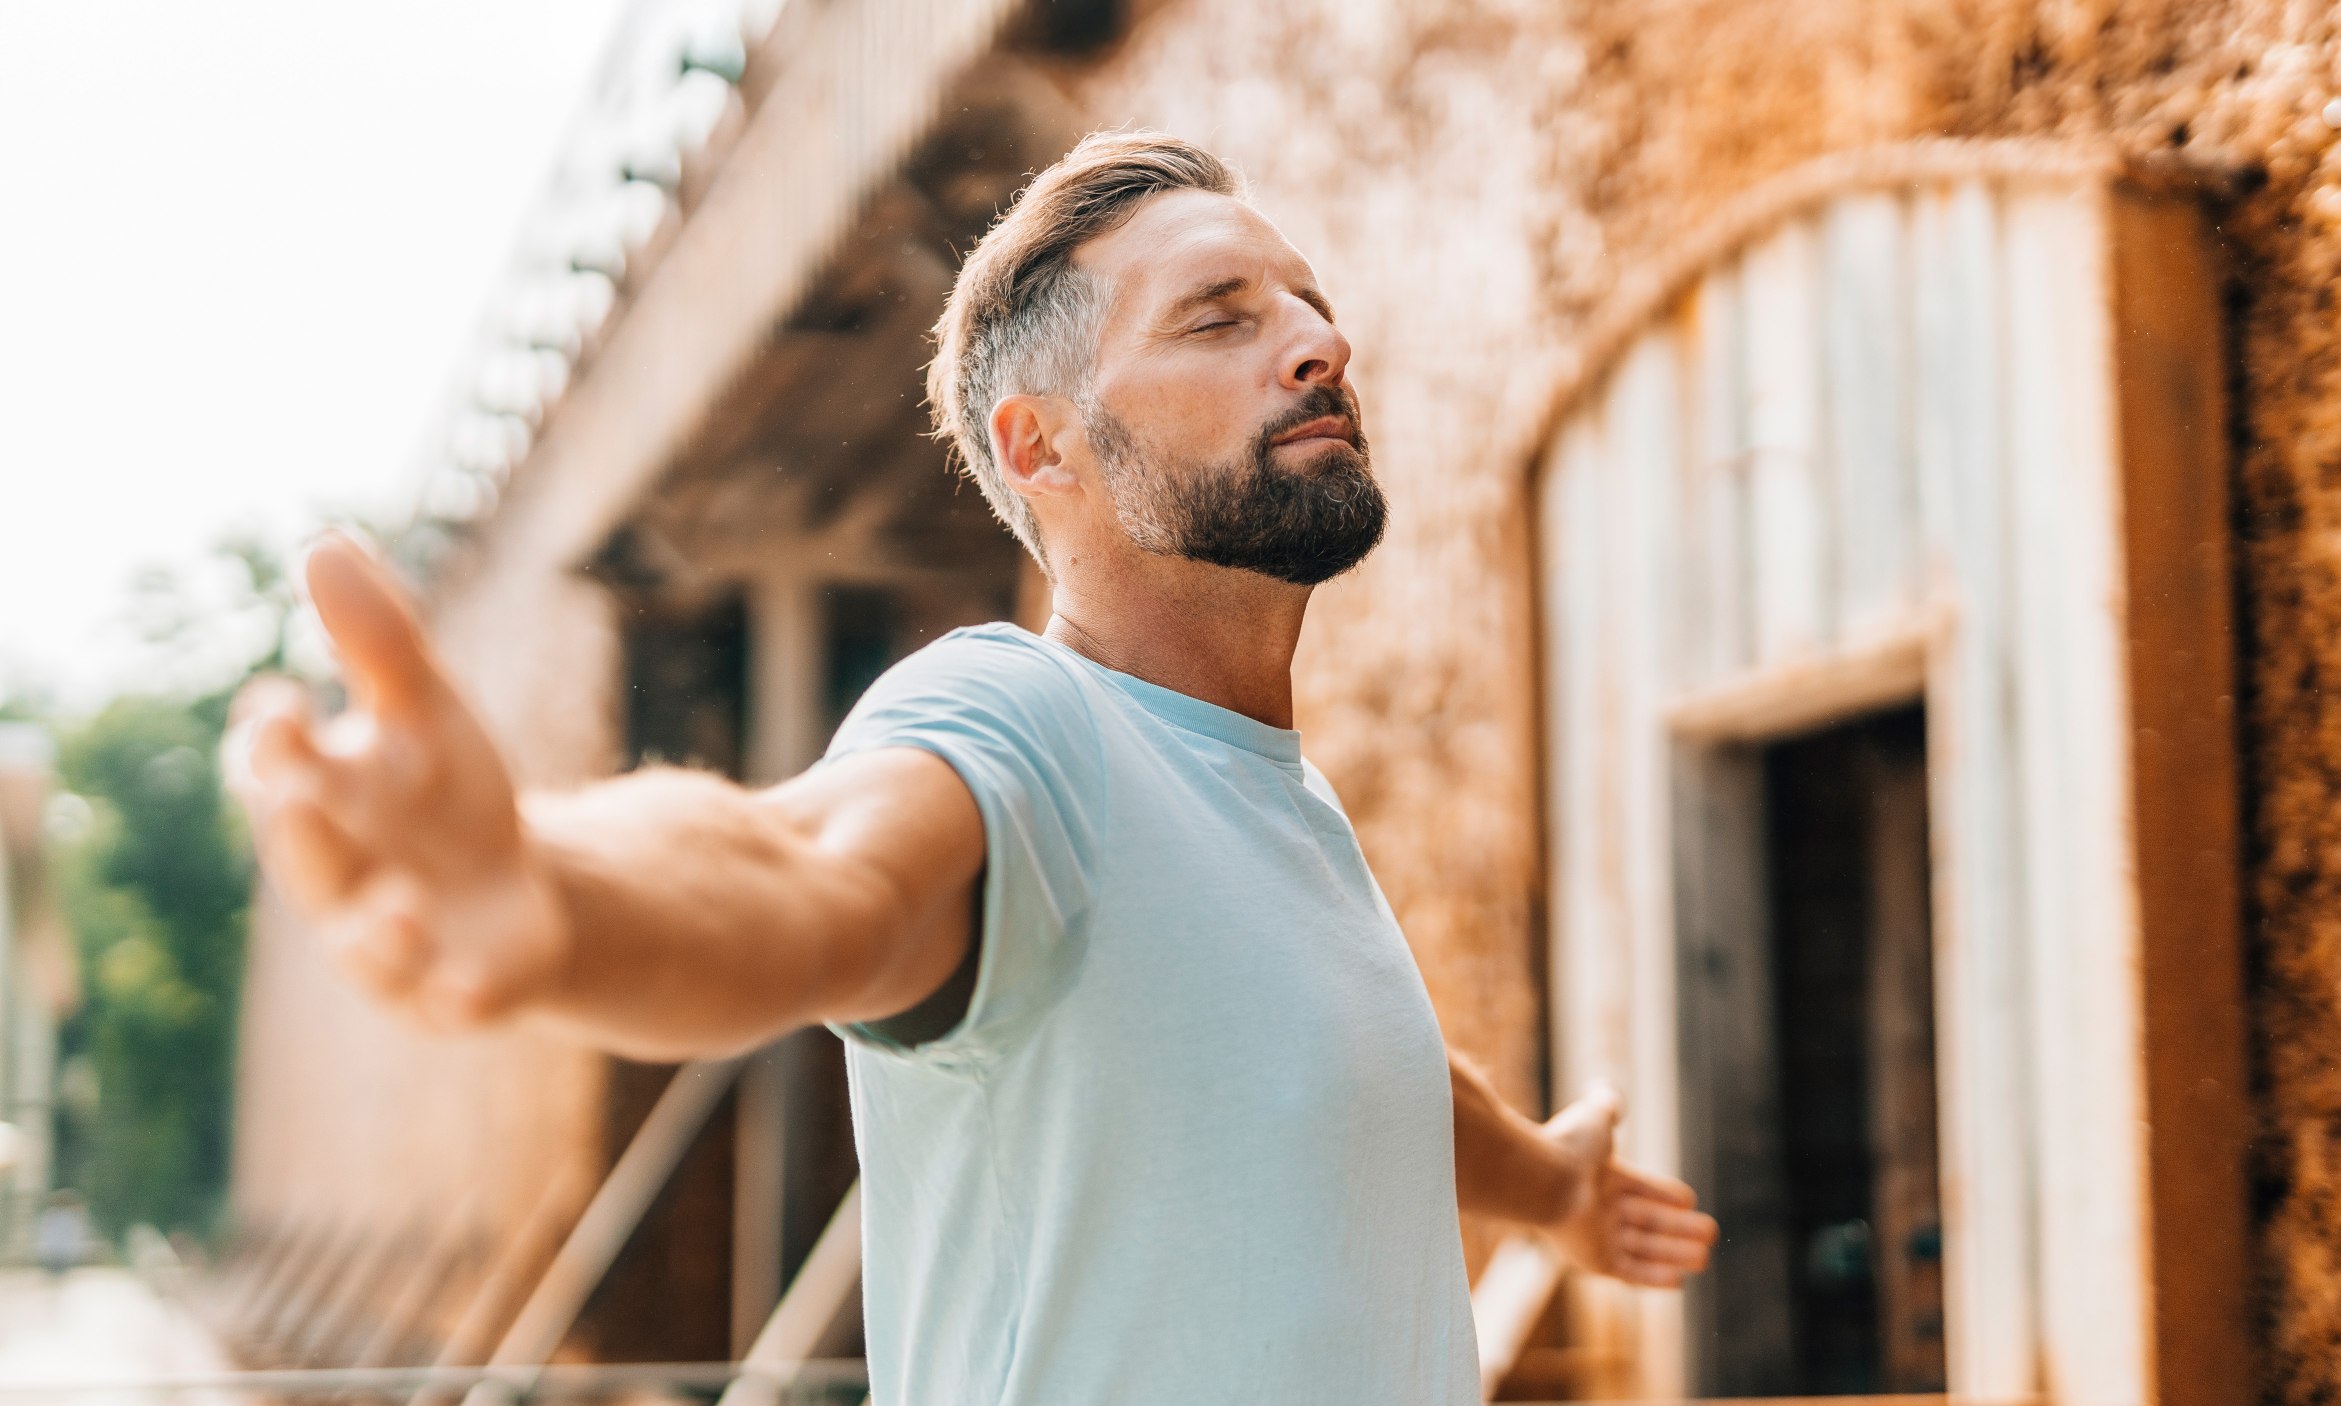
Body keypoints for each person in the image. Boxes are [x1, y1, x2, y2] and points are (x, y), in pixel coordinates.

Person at [225, 131, 1716, 1404]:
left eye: (1307, 305)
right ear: (1045, 448)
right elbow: (809, 874)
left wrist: (1543, 1182)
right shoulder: (1021, 720)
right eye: (1218, 319)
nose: (1317, 341)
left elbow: (1325, 1051)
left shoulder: (1279, 804)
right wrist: (552, 894)